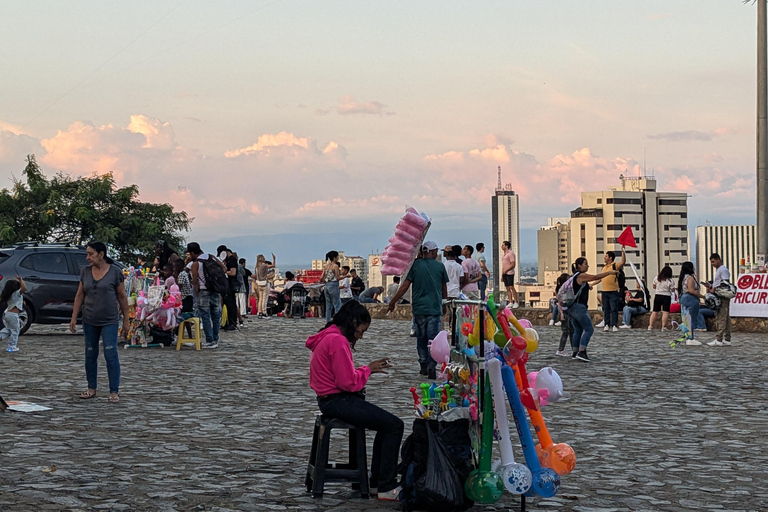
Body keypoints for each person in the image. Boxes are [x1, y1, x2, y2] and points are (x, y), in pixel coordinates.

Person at [306, 301, 403, 501]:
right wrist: (367, 370)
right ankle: (385, 485)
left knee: (386, 424)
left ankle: (378, 482)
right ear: (353, 322)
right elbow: (347, 383)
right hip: (337, 400)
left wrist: (366, 370)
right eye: (361, 331)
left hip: (328, 399)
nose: (360, 336)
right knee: (394, 425)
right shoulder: (337, 341)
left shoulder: (328, 336)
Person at [69, 242, 129, 403]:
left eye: (91, 254)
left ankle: (114, 391)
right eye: (87, 254)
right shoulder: (85, 272)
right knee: (90, 353)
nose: (88, 257)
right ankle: (91, 388)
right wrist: (74, 316)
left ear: (101, 254)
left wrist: (126, 320)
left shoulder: (115, 272)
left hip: (109, 320)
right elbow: (80, 295)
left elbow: (122, 297)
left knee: (110, 353)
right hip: (89, 319)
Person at [387, 241, 448, 379]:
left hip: (419, 309)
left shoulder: (415, 265)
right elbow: (444, 289)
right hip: (434, 308)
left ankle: (423, 365)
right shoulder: (440, 266)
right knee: (433, 339)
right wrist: (444, 305)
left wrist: (393, 301)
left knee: (421, 338)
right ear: (432, 252)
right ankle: (432, 364)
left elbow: (404, 286)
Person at [569, 257, 619, 362]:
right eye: (585, 264)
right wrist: (609, 272)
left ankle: (575, 352)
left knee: (578, 330)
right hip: (579, 307)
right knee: (589, 329)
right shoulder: (581, 275)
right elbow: (596, 277)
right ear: (579, 265)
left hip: (572, 307)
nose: (587, 266)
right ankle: (582, 352)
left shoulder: (574, 276)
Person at [187, 242, 224, 349]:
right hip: (215, 291)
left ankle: (210, 340)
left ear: (193, 252)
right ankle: (215, 339)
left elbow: (195, 282)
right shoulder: (211, 257)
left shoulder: (196, 264)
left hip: (203, 291)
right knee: (216, 316)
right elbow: (224, 268)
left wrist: (197, 294)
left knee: (206, 317)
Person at [705, 253, 732, 347]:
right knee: (726, 317)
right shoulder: (720, 270)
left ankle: (719, 339)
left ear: (718, 260)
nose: (712, 264)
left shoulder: (723, 270)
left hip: (722, 296)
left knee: (721, 317)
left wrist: (714, 289)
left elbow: (725, 283)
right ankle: (727, 338)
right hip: (720, 295)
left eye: (713, 261)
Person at [676, 261, 705, 346]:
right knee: (691, 319)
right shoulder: (690, 278)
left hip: (684, 298)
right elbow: (692, 290)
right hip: (690, 299)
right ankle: (690, 338)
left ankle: (688, 337)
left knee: (686, 319)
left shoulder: (683, 278)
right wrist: (702, 296)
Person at [600, 247, 626, 333]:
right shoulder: (603, 267)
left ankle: (614, 325)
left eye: (606, 256)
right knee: (606, 308)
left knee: (614, 308)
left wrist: (623, 251)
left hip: (613, 291)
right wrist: (592, 283)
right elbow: (600, 278)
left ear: (610, 258)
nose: (605, 257)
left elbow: (623, 262)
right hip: (604, 291)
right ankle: (606, 324)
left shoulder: (615, 265)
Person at [216, 246, 240, 330]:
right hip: (226, 285)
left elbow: (233, 272)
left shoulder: (232, 259)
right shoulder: (227, 260)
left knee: (231, 304)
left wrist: (223, 271)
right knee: (226, 303)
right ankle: (226, 322)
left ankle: (232, 322)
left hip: (231, 285)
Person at [0, 276, 26, 352]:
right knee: (15, 330)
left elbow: (16, 301)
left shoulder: (9, 295)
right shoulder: (16, 293)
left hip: (7, 314)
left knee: (8, 330)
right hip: (13, 315)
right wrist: (21, 280)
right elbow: (24, 289)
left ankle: (1, 336)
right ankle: (11, 346)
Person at [648, 265, 674, 331]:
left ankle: (650, 326)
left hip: (658, 295)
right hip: (666, 296)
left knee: (655, 311)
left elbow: (654, 286)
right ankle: (663, 327)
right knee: (665, 312)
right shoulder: (670, 280)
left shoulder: (657, 278)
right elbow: (672, 289)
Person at [554, 273, 573, 357]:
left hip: (566, 311)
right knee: (567, 332)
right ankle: (561, 349)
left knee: (570, 331)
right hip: (565, 311)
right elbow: (560, 303)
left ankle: (572, 349)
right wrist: (561, 314)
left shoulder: (562, 289)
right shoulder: (563, 291)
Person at [254, 253, 276, 319]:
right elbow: (273, 265)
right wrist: (274, 259)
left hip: (258, 283)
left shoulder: (256, 267)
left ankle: (259, 311)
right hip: (264, 283)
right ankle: (264, 312)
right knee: (264, 299)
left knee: (260, 298)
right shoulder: (263, 265)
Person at [322, 251, 342, 322]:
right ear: (334, 258)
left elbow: (322, 278)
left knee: (328, 306)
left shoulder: (326, 266)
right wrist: (346, 276)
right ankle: (337, 322)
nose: (338, 258)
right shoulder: (335, 266)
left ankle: (328, 321)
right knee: (337, 305)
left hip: (327, 285)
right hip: (334, 285)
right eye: (337, 257)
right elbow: (337, 278)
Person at [501, 241, 518, 308]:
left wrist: (507, 270)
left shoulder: (510, 253)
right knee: (507, 287)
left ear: (506, 246)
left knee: (511, 287)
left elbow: (513, 264)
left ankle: (516, 301)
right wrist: (502, 274)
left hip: (509, 273)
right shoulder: (504, 254)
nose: (502, 247)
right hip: (505, 273)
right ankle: (510, 302)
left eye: (503, 245)